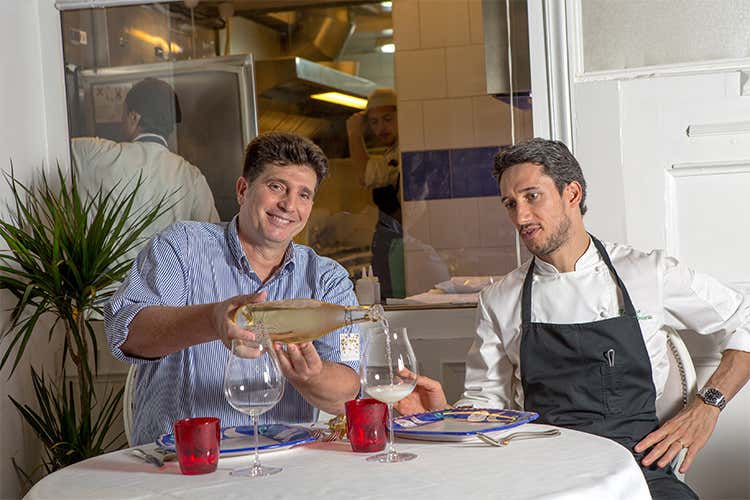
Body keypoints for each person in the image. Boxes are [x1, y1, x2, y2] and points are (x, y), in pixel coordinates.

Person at [395, 138, 750, 499]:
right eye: (510, 204)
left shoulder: (648, 274)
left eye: (532, 196)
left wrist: (707, 407)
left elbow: (745, 320)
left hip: (639, 469)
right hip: (544, 473)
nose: (520, 217)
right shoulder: (500, 299)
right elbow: (486, 405)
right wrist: (444, 418)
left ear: (572, 193)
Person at [105, 132, 361, 446]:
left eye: (304, 194)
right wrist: (211, 320)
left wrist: (312, 376)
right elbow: (125, 333)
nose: (289, 205)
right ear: (243, 190)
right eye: (276, 186)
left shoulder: (327, 279)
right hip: (184, 461)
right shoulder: (183, 246)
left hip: (284, 462)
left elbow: (347, 391)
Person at [72, 77, 219, 266]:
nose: (121, 120)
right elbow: (212, 244)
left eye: (124, 114)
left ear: (134, 117)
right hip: (166, 283)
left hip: (105, 284)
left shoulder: (96, 154)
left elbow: (48, 144)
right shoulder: (191, 176)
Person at [346, 88, 405, 298]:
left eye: (387, 119)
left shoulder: (402, 152)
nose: (381, 128)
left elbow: (364, 175)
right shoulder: (392, 153)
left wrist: (354, 133)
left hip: (401, 241)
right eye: (374, 122)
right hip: (391, 241)